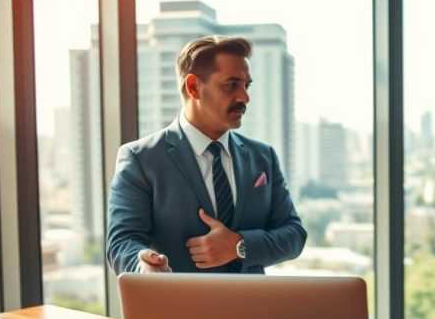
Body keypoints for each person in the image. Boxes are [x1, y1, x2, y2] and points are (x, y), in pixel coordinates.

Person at [106, 35, 306, 275]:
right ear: (193, 87)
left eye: (246, 85)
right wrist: (143, 266)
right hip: (178, 309)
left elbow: (294, 234)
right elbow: (121, 242)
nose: (244, 97)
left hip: (252, 309)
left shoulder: (263, 156)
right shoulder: (141, 159)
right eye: (231, 85)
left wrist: (240, 246)